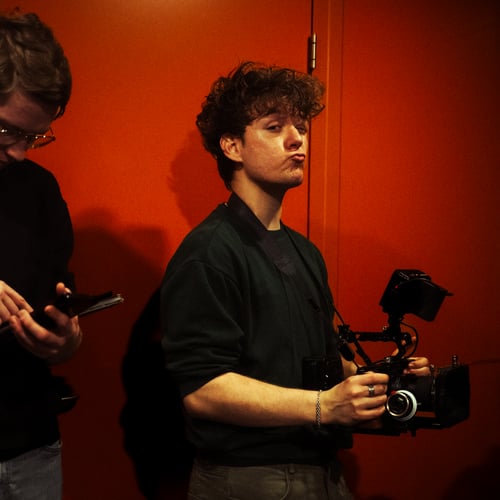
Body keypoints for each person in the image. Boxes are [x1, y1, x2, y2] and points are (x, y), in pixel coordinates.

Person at [160, 61, 431, 499]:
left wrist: (385, 378)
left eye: (301, 127)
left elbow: (314, 363)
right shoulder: (209, 252)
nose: (297, 139)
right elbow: (203, 390)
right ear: (232, 146)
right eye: (274, 127)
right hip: (249, 478)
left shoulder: (305, 252)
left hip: (320, 473)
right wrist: (324, 407)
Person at [0, 11, 82, 500]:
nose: (20, 152)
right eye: (7, 131)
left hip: (31, 447)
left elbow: (59, 295)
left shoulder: (41, 190)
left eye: (33, 137)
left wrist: (66, 339)